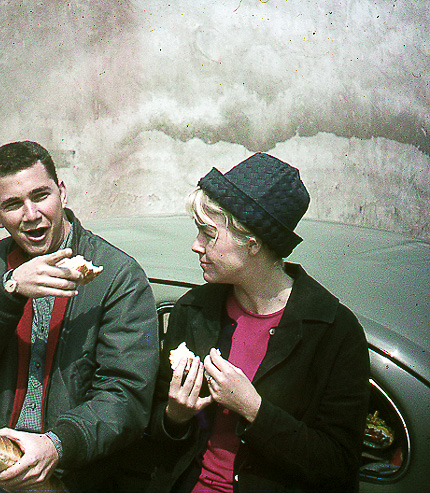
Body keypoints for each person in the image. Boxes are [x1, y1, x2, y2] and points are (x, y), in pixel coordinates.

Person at [141, 153, 370, 492]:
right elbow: (155, 442)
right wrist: (175, 416)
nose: (196, 245)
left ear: (252, 243)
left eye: (208, 233)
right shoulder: (193, 310)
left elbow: (338, 467)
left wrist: (253, 409)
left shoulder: (334, 331)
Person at [0, 141, 160, 492]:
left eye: (40, 195)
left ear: (62, 192)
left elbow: (124, 394)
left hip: (76, 477)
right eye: (12, 204)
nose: (31, 215)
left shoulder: (118, 274)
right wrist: (9, 290)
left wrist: (55, 445)